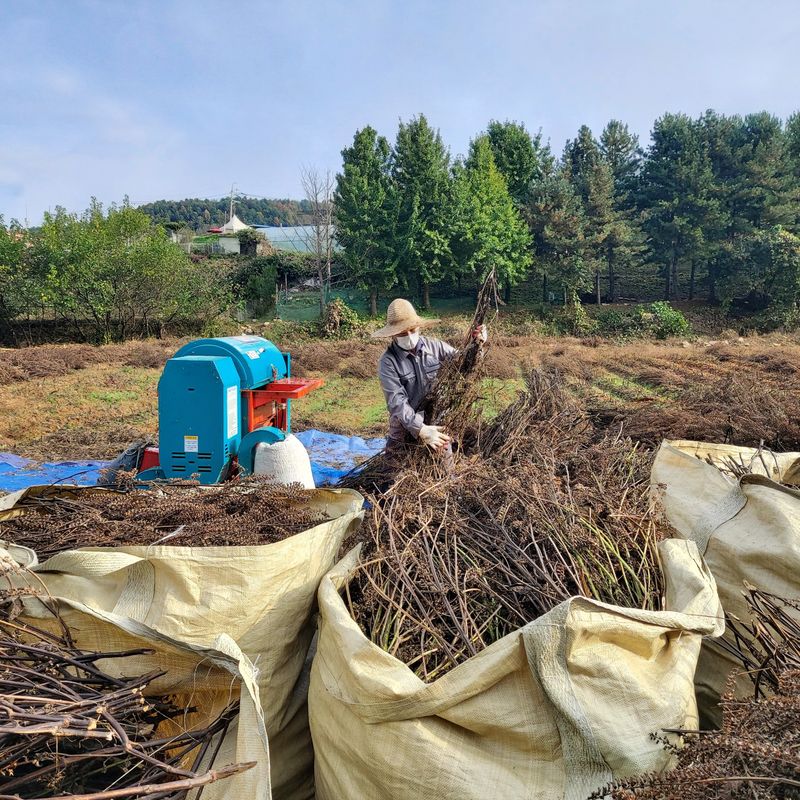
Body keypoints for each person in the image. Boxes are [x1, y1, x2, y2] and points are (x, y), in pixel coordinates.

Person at [372, 298, 487, 453]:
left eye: (412, 330)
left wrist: (477, 344)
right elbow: (397, 402)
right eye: (402, 333)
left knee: (445, 468)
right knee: (391, 471)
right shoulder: (388, 362)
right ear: (393, 334)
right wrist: (421, 429)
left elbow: (463, 363)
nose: (409, 335)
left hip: (435, 419)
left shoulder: (435, 347)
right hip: (403, 427)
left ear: (418, 327)